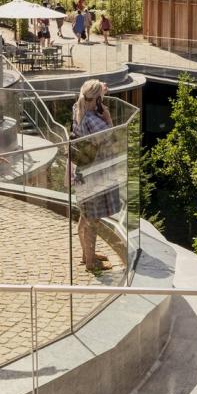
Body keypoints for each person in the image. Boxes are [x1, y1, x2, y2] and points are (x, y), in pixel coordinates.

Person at [70, 80, 122, 271]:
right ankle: (91, 263)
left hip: (83, 172)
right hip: (95, 175)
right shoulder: (93, 119)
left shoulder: (78, 109)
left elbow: (87, 96)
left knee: (85, 216)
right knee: (93, 220)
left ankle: (87, 254)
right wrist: (108, 118)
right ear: (97, 100)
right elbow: (113, 140)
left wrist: (100, 92)